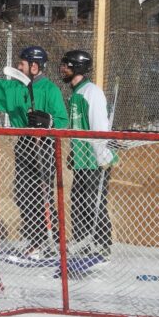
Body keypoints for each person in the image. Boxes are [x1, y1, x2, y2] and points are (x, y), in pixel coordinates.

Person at [0, 45, 69, 259]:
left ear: (34, 67)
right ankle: (35, 241)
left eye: (22, 64)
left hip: (43, 145)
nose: (18, 67)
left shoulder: (50, 90)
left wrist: (49, 121)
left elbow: (63, 122)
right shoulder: (16, 89)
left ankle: (51, 241)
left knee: (41, 195)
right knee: (23, 194)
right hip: (24, 144)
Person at [59, 50, 116, 258]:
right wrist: (74, 152)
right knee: (78, 202)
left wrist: (101, 156)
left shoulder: (91, 91)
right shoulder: (77, 93)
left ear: (77, 67)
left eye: (66, 65)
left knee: (93, 202)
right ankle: (83, 242)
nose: (62, 68)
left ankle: (102, 244)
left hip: (95, 160)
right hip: (83, 159)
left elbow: (99, 126)